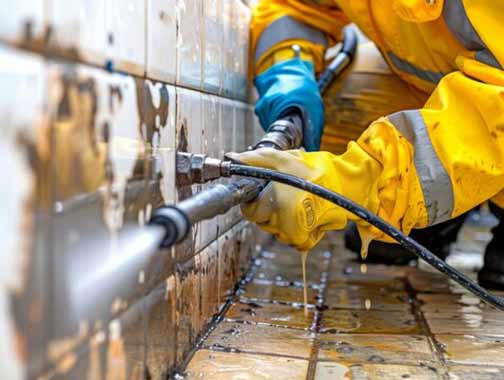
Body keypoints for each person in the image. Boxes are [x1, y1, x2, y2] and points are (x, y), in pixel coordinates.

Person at [229, 1, 504, 289]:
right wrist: (288, 72)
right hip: (461, 98)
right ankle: (435, 210)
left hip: (493, 121)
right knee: (339, 102)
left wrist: (355, 183)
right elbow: (295, 8)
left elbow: (494, 119)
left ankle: (426, 197)